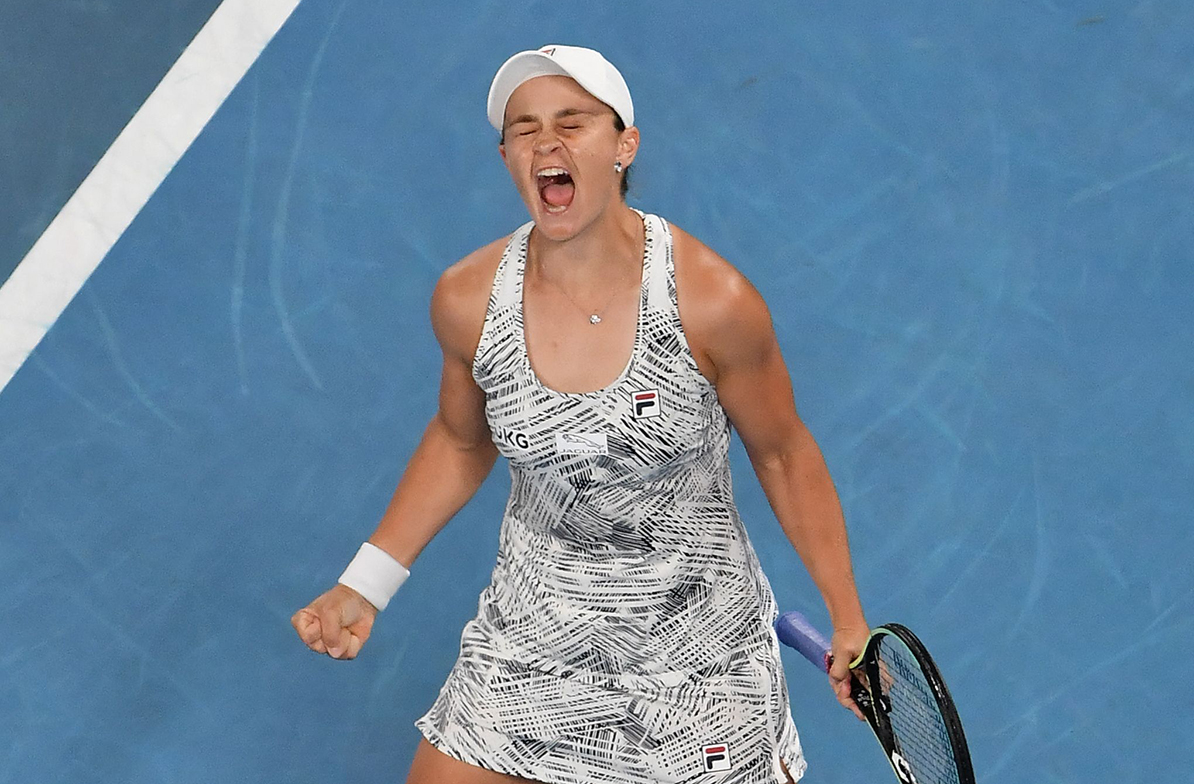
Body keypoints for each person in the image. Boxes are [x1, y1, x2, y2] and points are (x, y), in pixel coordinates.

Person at [292, 44, 869, 784]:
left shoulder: (712, 301)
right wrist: (364, 584)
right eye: (525, 129)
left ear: (624, 146)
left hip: (696, 654)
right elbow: (461, 441)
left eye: (573, 122)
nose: (547, 144)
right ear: (507, 156)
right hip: (535, 634)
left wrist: (846, 614)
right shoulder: (469, 301)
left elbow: (784, 453)